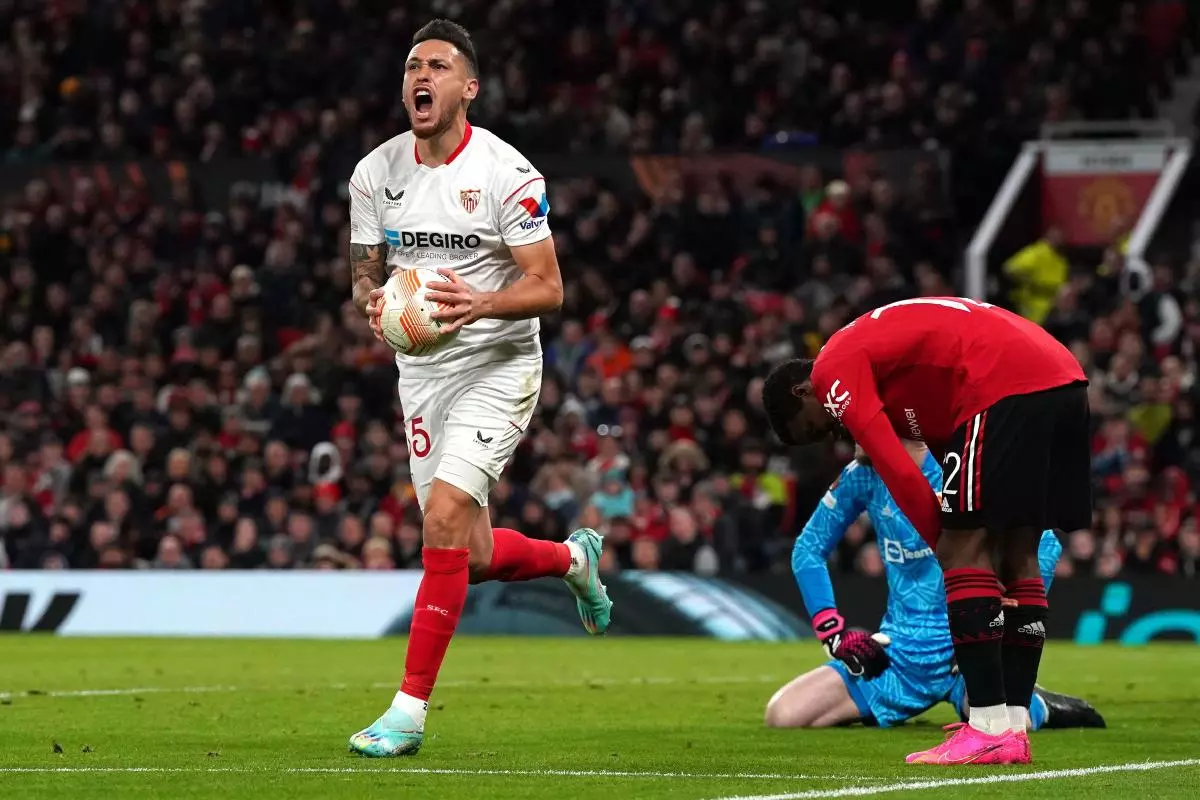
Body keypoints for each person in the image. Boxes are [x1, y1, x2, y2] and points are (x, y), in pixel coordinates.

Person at [346, 19, 612, 757]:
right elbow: (364, 266)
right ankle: (572, 560)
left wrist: (480, 305)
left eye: (436, 65)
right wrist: (372, 298)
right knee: (477, 552)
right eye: (410, 66)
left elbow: (549, 286)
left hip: (499, 365)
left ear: (469, 87)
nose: (418, 76)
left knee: (443, 520)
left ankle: (407, 712)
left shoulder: (507, 173)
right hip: (423, 373)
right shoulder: (375, 173)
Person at [762, 297, 1090, 766]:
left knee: (967, 545)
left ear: (802, 393)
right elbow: (809, 547)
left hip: (1004, 382)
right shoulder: (909, 391)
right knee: (1017, 545)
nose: (835, 433)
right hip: (1060, 375)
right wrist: (836, 635)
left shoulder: (833, 368)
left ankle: (991, 727)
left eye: (816, 427)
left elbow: (899, 470)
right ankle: (1012, 727)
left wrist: (951, 554)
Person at [764, 441, 1105, 732]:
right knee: (783, 714)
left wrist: (1000, 630)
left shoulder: (960, 468)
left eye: (857, 420)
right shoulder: (863, 474)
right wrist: (833, 635)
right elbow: (808, 549)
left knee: (995, 722)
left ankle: (1043, 705)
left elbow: (1044, 542)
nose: (850, 434)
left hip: (970, 646)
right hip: (898, 654)